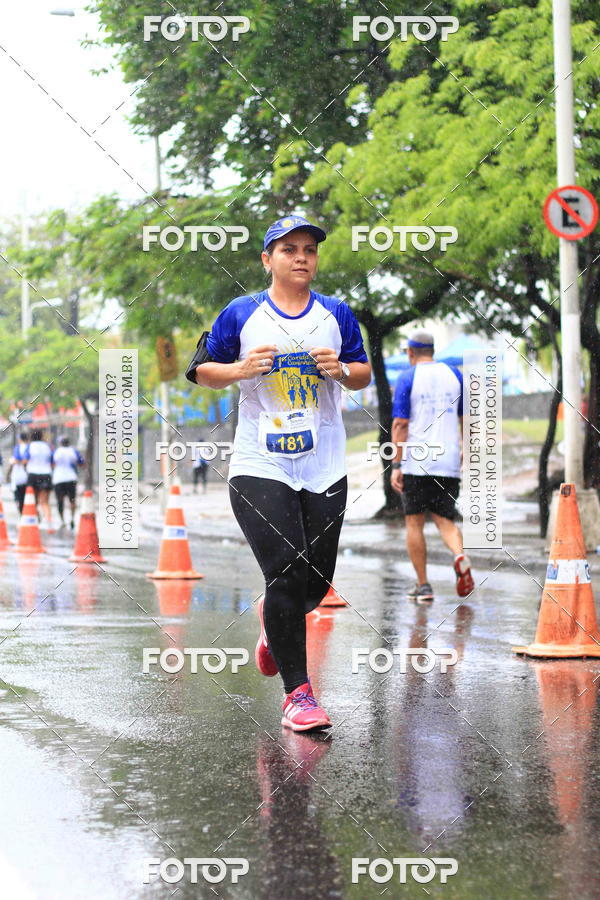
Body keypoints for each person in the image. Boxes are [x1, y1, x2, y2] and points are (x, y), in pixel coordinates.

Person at [186, 214, 371, 731]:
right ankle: (298, 694)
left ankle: (274, 618)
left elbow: (362, 373)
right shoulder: (242, 314)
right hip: (258, 465)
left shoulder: (336, 314)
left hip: (325, 465)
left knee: (314, 584)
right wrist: (242, 369)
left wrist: (341, 371)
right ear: (268, 259)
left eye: (309, 248)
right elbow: (201, 370)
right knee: (287, 569)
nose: (301, 256)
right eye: (289, 249)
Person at [390, 330, 474, 602]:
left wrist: (396, 463)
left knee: (414, 523)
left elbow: (401, 425)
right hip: (448, 459)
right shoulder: (456, 375)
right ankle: (460, 555)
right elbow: (466, 419)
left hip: (417, 461)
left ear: (410, 352)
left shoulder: (407, 377)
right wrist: (464, 448)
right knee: (445, 520)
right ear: (433, 349)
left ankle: (423, 586)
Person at [24, 429, 54, 531]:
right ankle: (49, 524)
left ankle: (35, 521)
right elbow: (52, 462)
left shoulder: (30, 446)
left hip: (33, 474)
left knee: (33, 501)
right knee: (45, 502)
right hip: (46, 474)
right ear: (41, 436)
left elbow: (25, 460)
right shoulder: (48, 447)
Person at [52, 436, 84, 529]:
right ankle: (72, 519)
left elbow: (51, 463)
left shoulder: (56, 452)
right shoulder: (73, 451)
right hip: (71, 478)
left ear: (60, 443)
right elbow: (81, 463)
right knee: (72, 500)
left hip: (58, 479)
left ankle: (62, 520)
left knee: (60, 500)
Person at [7, 431, 29, 514]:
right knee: (26, 497)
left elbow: (16, 460)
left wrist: (18, 462)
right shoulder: (29, 447)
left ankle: (22, 514)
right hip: (27, 476)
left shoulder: (18, 448)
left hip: (18, 476)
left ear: (20, 439)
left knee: (18, 497)